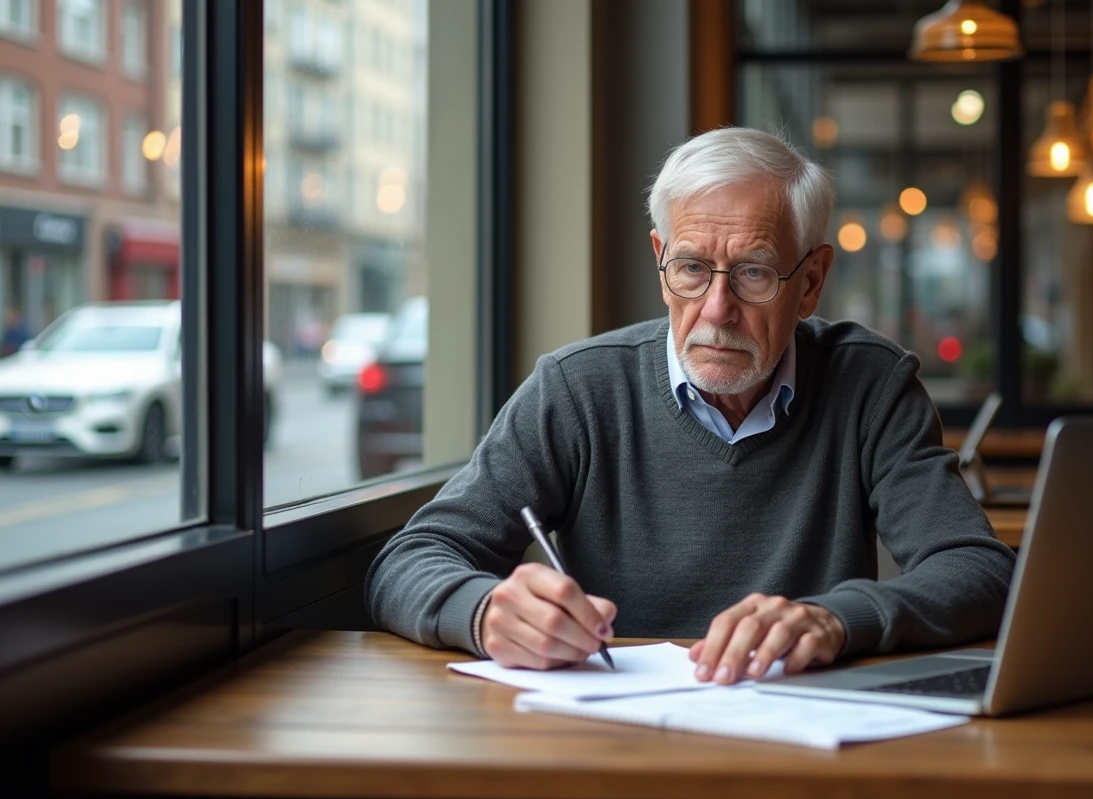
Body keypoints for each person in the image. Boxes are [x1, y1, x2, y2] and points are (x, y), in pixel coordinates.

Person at [366, 127, 1014, 686]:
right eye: (692, 268)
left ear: (811, 282)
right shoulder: (579, 389)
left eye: (755, 273)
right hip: (618, 743)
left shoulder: (869, 385)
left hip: (807, 743)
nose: (716, 310)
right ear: (660, 260)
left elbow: (980, 572)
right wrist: (484, 612)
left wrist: (835, 619)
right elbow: (407, 562)